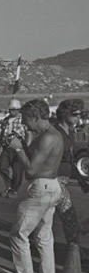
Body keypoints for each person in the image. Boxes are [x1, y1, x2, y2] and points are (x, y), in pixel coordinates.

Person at [0, 99, 63, 273]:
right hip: (51, 186)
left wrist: (18, 148)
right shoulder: (50, 135)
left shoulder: (47, 138)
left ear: (36, 117)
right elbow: (37, 160)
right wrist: (25, 143)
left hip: (40, 187)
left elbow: (31, 170)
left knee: (19, 233)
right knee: (44, 235)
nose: (24, 123)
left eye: (26, 119)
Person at [52, 100, 84, 262]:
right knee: (68, 213)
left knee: (47, 216)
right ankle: (75, 249)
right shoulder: (56, 132)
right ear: (65, 114)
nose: (79, 118)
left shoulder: (70, 131)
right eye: (76, 114)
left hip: (64, 178)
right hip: (54, 178)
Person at [0, 98, 26, 198]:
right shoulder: (5, 120)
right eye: (10, 109)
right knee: (2, 167)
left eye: (14, 109)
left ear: (18, 110)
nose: (12, 111)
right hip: (7, 147)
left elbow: (26, 133)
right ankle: (8, 186)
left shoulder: (23, 120)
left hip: (19, 148)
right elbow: (2, 133)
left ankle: (14, 190)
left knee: (17, 171)